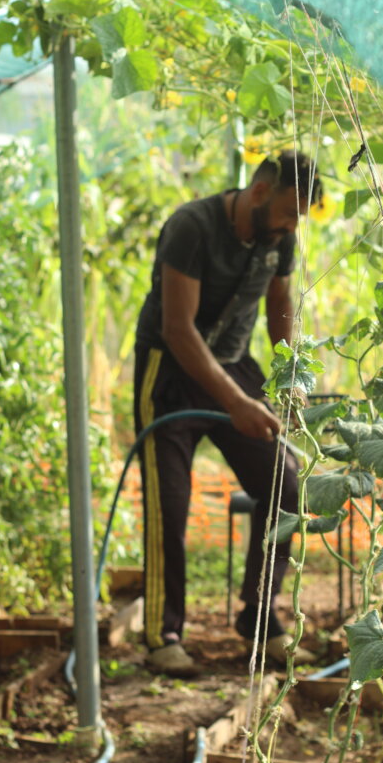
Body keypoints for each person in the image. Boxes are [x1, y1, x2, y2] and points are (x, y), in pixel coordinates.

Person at [133, 150, 323, 676]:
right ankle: (162, 635)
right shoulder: (191, 228)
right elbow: (178, 329)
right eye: (288, 212)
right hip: (171, 371)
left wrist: (287, 378)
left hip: (236, 366)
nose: (291, 226)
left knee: (284, 484)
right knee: (169, 504)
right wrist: (235, 404)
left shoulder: (277, 237)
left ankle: (260, 620)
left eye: (299, 218)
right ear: (260, 192)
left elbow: (280, 305)